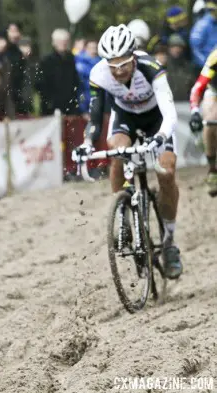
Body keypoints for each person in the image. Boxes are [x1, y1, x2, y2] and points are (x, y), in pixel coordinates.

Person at [73, 24, 183, 279]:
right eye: (113, 66)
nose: (119, 71)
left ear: (134, 57)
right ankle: (122, 211)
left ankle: (169, 242)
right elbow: (96, 117)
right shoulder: (99, 73)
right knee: (117, 152)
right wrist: (87, 143)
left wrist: (161, 137)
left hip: (157, 120)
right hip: (125, 118)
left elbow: (170, 114)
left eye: (124, 64)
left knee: (166, 171)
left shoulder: (152, 68)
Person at [189, 47, 217, 195]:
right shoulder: (215, 57)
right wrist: (195, 112)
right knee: (210, 121)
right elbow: (197, 89)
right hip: (215, 92)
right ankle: (213, 170)